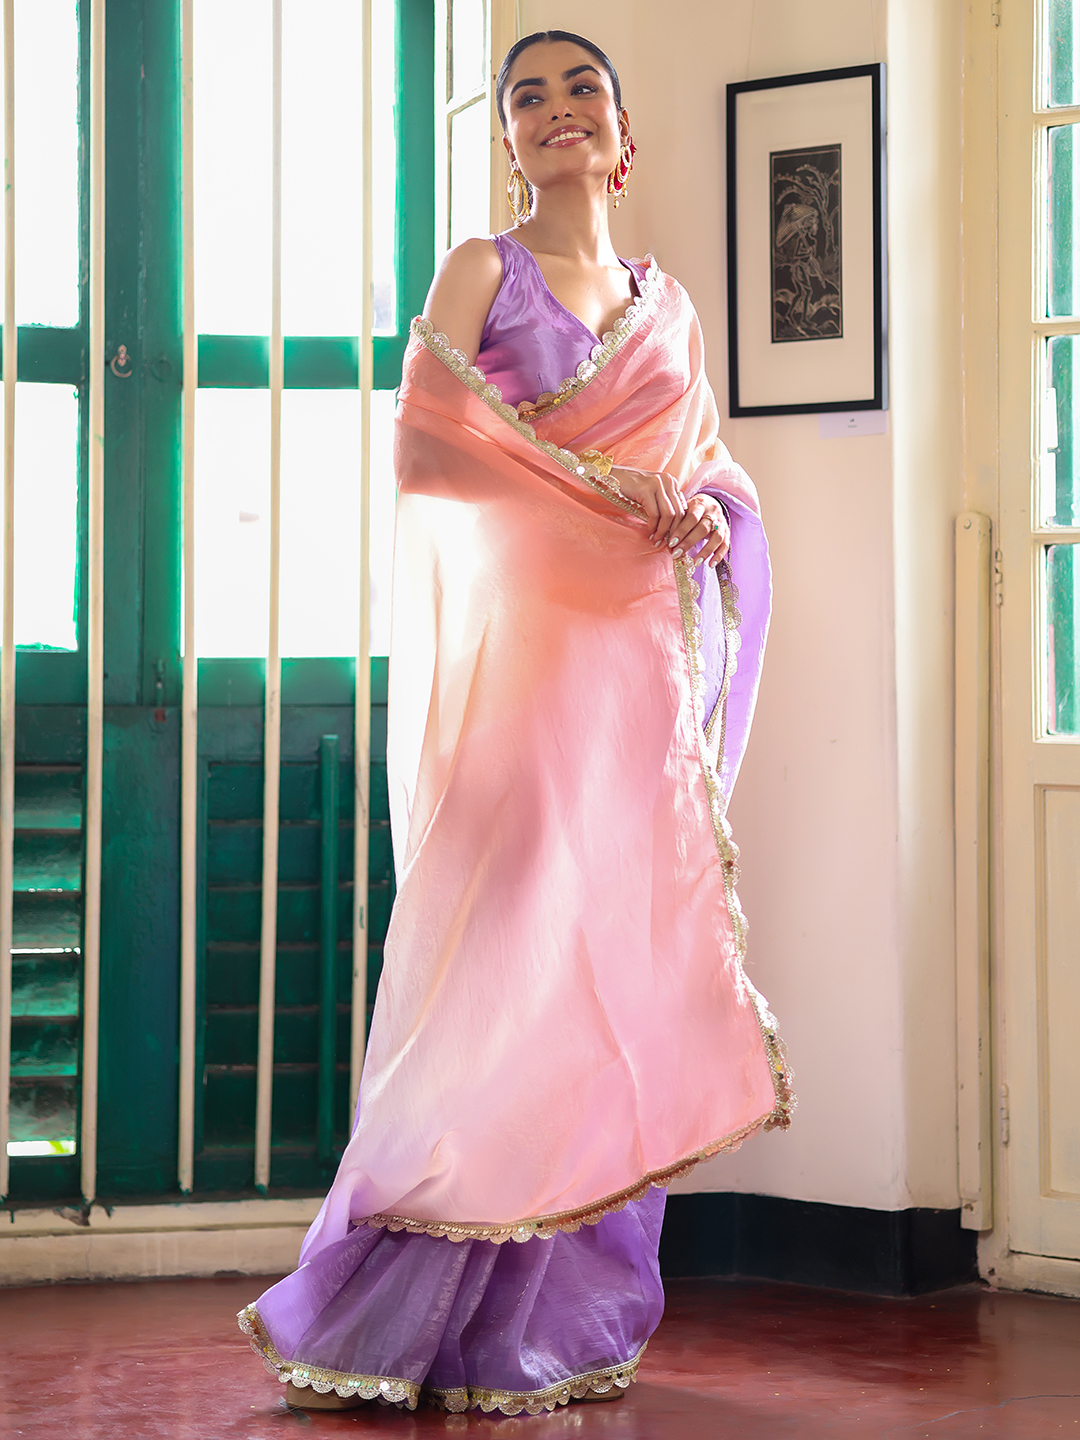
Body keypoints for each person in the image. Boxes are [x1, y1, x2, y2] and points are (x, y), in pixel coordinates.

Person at [238, 29, 793, 1417]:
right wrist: (616, 494)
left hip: (632, 687)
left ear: (622, 128)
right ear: (507, 141)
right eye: (526, 96)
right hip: (523, 684)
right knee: (495, 980)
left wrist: (697, 510)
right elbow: (434, 446)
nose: (555, 110)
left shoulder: (671, 310)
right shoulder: (482, 270)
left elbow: (714, 478)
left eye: (580, 89)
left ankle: (543, 1323)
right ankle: (395, 1314)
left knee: (598, 974)